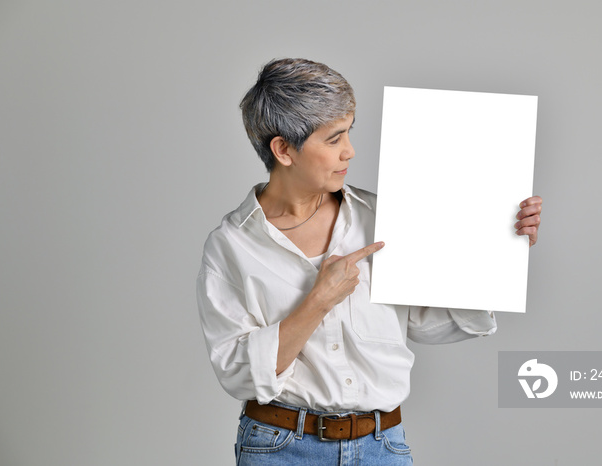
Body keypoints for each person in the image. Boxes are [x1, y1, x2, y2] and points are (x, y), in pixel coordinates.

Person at [196, 58, 542, 465]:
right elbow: (238, 373)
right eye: (334, 139)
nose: (350, 151)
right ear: (283, 149)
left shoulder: (381, 220)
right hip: (279, 450)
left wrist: (499, 246)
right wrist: (319, 300)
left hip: (382, 447)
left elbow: (426, 323)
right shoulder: (232, 246)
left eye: (350, 132)